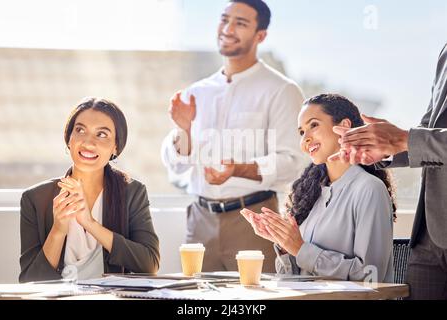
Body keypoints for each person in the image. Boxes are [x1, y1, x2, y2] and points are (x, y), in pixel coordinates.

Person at [161, 0, 305, 272]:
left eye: (240, 23)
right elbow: (177, 165)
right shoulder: (196, 92)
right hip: (200, 221)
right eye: (224, 19)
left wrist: (237, 170)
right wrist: (184, 130)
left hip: (254, 221)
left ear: (260, 35)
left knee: (256, 298)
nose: (227, 28)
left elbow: (293, 162)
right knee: (196, 299)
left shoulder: (281, 90)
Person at [331, 44, 447, 299]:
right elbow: (429, 129)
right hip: (430, 236)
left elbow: (417, 138)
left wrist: (405, 139)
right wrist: (387, 150)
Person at [241, 94, 396, 282]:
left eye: (313, 125)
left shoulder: (369, 190)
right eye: (301, 132)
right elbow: (293, 279)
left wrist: (300, 249)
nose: (305, 138)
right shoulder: (310, 195)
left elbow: (371, 275)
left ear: (344, 127)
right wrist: (283, 243)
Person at [19, 98, 160, 282]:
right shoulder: (35, 198)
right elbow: (29, 282)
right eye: (80, 130)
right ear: (69, 139)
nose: (88, 142)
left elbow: (149, 265)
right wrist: (58, 230)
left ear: (115, 147)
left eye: (102, 134)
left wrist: (90, 223)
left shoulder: (132, 193)